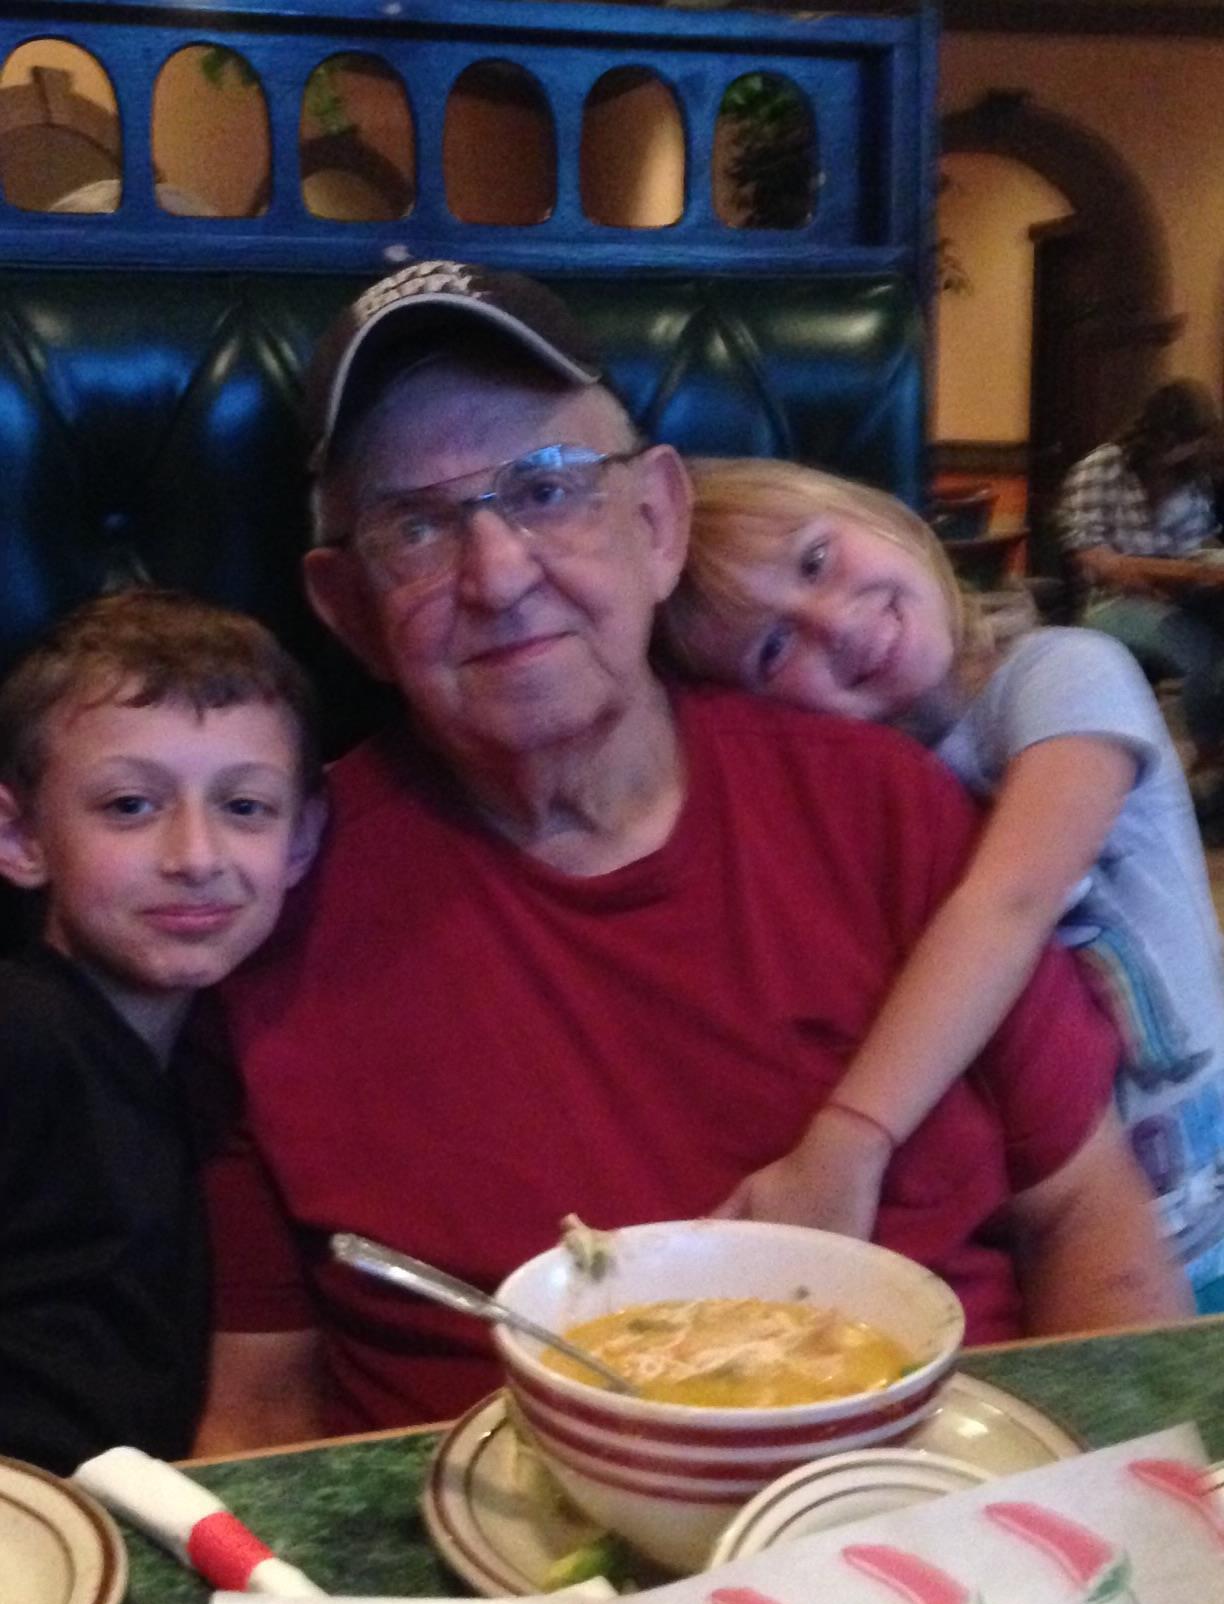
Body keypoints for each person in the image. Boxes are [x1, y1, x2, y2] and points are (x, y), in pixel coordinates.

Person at [197, 261, 1190, 1455]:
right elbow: (259, 1409)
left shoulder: (884, 812)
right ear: (349, 608)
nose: (501, 573)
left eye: (547, 488)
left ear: (657, 522)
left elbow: (1090, 1216)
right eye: (418, 525)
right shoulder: (265, 904)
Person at [664, 456, 1224, 1314]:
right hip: (1061, 1228)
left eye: (816, 559)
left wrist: (849, 1140)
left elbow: (1011, 900)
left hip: (1202, 1214)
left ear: (882, 516)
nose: (833, 622)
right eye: (775, 648)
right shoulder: (871, 798)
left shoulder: (1061, 670)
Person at [0, 589, 323, 1474]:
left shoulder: (199, 1072)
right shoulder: (22, 1035)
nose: (196, 856)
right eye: (130, 806)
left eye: (246, 807)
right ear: (20, 836)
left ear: (301, 843)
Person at [1059, 379, 1224, 789]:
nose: (1187, 451)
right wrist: (1183, 573)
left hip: (1179, 599)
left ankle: (1208, 766)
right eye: (1182, 441)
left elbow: (1196, 549)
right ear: (1157, 433)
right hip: (1109, 606)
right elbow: (1095, 561)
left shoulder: (1191, 480)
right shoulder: (1102, 468)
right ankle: (1205, 764)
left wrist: (1197, 571)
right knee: (1205, 655)